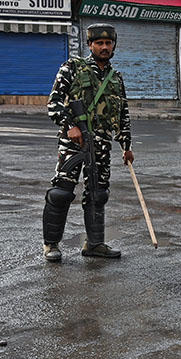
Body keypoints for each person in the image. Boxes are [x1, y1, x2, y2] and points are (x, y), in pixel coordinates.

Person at [43, 23, 133, 262]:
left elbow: (123, 114)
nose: (104, 47)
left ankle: (94, 244)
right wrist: (69, 126)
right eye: (99, 43)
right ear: (90, 45)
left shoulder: (116, 78)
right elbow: (53, 103)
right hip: (74, 142)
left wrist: (126, 146)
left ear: (114, 45)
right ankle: (51, 244)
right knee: (61, 192)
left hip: (102, 144)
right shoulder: (72, 67)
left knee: (98, 194)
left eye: (108, 43)